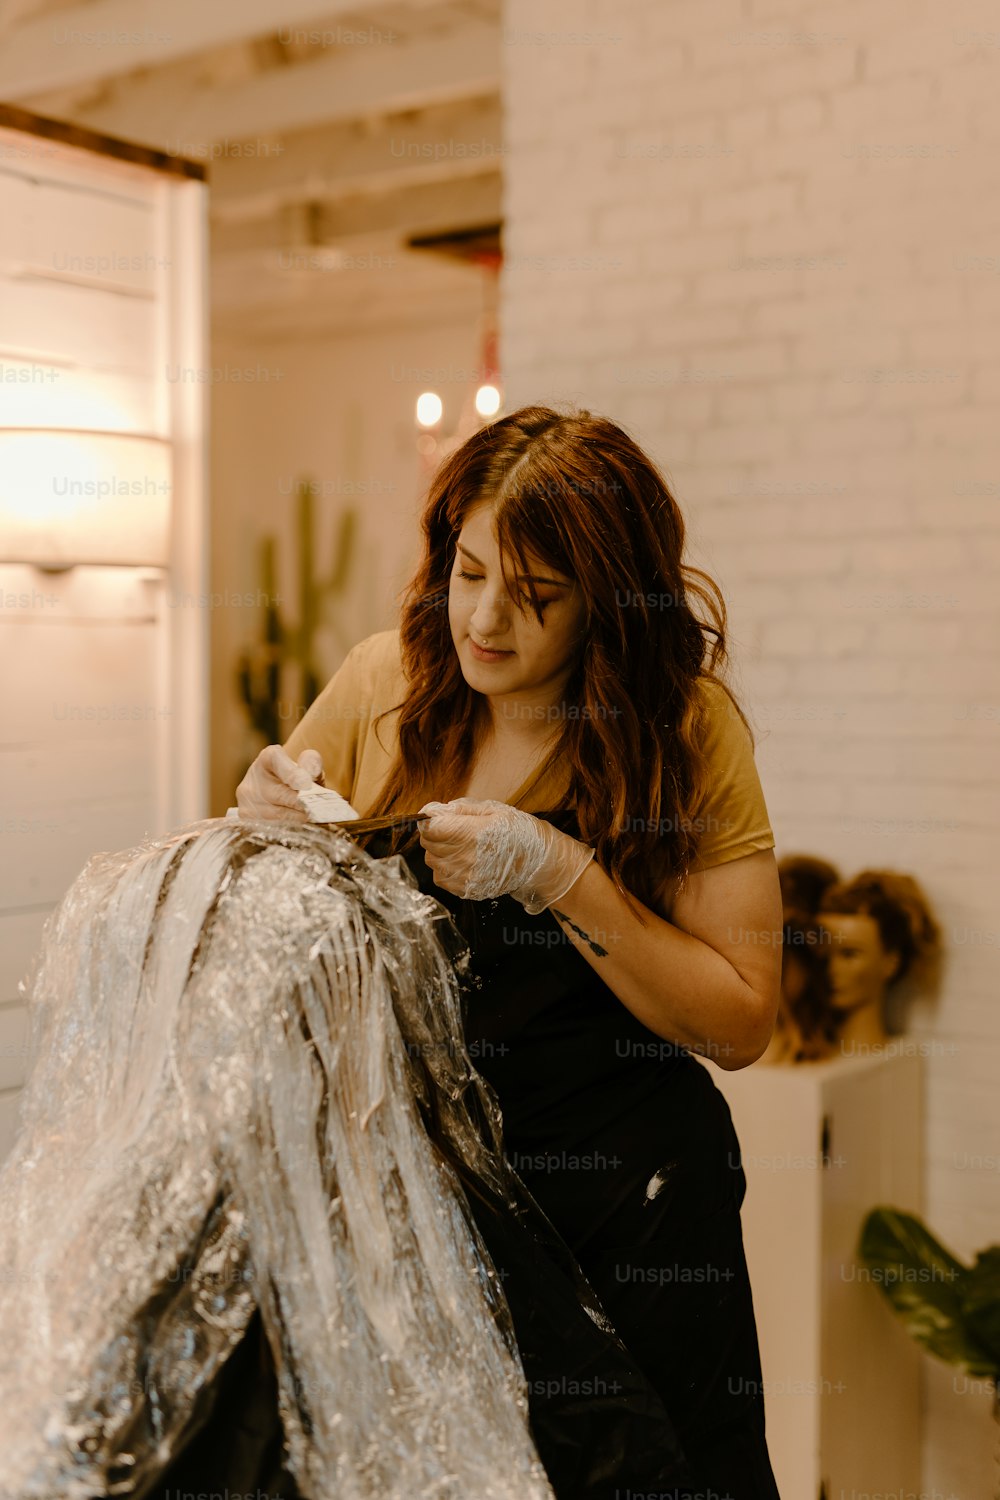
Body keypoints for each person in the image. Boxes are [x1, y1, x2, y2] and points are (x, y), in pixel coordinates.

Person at [238, 403, 784, 1497]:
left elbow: (739, 1020)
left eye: (535, 597)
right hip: (422, 1199)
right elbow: (271, 956)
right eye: (469, 571)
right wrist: (256, 836)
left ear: (609, 603)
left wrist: (558, 873)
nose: (485, 620)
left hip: (628, 1204)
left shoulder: (681, 729)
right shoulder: (381, 683)